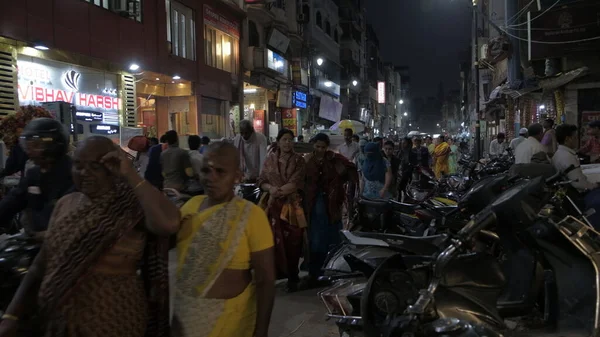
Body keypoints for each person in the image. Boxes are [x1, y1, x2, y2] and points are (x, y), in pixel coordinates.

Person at [0, 136, 177, 337]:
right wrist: (11, 315)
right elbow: (41, 265)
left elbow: (169, 223)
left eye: (95, 166)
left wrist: (131, 176)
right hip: (61, 321)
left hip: (114, 321)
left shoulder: (131, 207)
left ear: (113, 167)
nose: (84, 173)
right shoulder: (66, 204)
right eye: (78, 165)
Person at [173, 141, 276, 337]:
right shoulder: (189, 207)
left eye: (220, 172)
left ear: (237, 176)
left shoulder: (252, 216)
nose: (211, 178)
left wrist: (261, 330)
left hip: (231, 322)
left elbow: (266, 280)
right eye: (205, 170)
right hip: (186, 318)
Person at [0, 118, 74, 238]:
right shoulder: (33, 174)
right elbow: (13, 200)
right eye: (27, 146)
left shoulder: (74, 174)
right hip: (34, 241)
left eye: (36, 146)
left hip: (63, 242)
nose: (30, 152)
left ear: (54, 146)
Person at [303, 133, 357, 287]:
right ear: (313, 145)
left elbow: (350, 171)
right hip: (313, 207)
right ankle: (314, 274)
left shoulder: (334, 159)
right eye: (317, 146)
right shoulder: (307, 160)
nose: (320, 149)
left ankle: (331, 272)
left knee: (333, 240)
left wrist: (338, 178)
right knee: (316, 241)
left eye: (323, 147)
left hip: (332, 207)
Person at [258, 129, 306, 292]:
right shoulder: (269, 159)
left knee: (293, 241)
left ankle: (293, 276)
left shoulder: (299, 160)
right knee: (271, 242)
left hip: (291, 206)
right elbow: (262, 180)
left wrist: (277, 191)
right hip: (272, 205)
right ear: (278, 141)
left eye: (290, 140)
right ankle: (272, 276)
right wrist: (270, 188)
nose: (287, 143)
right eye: (284, 139)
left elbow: (297, 181)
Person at [552, 124, 600, 228]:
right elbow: (580, 184)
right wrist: (594, 185)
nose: (577, 140)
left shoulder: (560, 154)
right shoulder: (567, 157)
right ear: (568, 139)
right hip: (579, 196)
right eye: (575, 137)